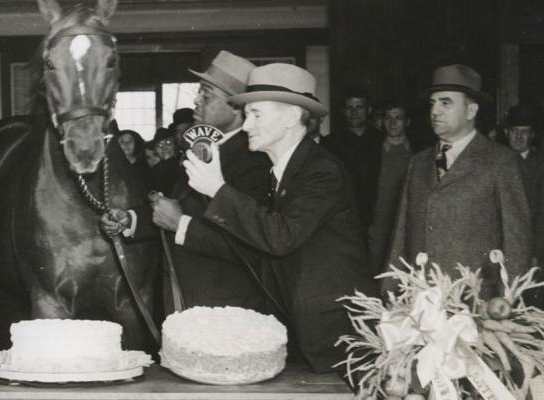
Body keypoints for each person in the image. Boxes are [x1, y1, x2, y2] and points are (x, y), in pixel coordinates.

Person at [178, 63, 374, 372]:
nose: (245, 126)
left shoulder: (322, 170)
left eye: (256, 114)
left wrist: (218, 190)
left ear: (293, 116)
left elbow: (280, 237)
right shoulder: (282, 171)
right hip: (302, 333)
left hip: (335, 339)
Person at [384, 64, 532, 297]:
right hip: (421, 300)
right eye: (432, 103)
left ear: (471, 111)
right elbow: (401, 234)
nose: (435, 111)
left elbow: (516, 241)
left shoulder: (501, 161)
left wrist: (508, 301)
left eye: (446, 102)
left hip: (476, 302)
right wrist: (391, 292)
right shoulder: (418, 162)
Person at [148, 50, 273, 312]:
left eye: (207, 95)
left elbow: (251, 246)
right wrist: (132, 220)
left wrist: (180, 224)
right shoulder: (203, 146)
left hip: (228, 308)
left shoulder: (255, 162)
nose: (196, 101)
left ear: (237, 109)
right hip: (188, 300)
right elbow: (180, 207)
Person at [322, 88, 382, 229]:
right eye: (349, 107)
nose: (354, 112)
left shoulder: (381, 140)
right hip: (344, 219)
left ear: (368, 110)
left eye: (359, 107)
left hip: (379, 218)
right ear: (343, 111)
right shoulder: (329, 143)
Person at [504, 104, 544, 270]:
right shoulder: (495, 164)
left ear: (532, 135)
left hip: (529, 248)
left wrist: (535, 253)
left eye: (524, 131)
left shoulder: (542, 167)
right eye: (514, 131)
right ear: (506, 133)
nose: (519, 136)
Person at [367, 101, 414, 274]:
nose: (393, 123)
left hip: (408, 221)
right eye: (388, 118)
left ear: (407, 121)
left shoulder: (418, 152)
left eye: (398, 118)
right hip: (378, 224)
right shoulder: (371, 151)